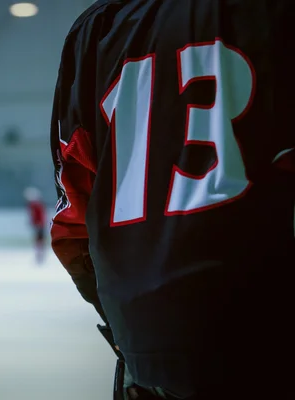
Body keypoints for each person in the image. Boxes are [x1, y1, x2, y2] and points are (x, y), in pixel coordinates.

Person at [50, 1, 294, 399]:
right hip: (270, 342)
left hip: (148, 355)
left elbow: (74, 210)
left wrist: (130, 330)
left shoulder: (97, 27)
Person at [23, 187, 47, 264]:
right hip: (39, 225)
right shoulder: (36, 205)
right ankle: (39, 256)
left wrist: (37, 223)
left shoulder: (35, 205)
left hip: (39, 225)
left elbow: (38, 215)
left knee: (39, 241)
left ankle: (39, 257)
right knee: (39, 241)